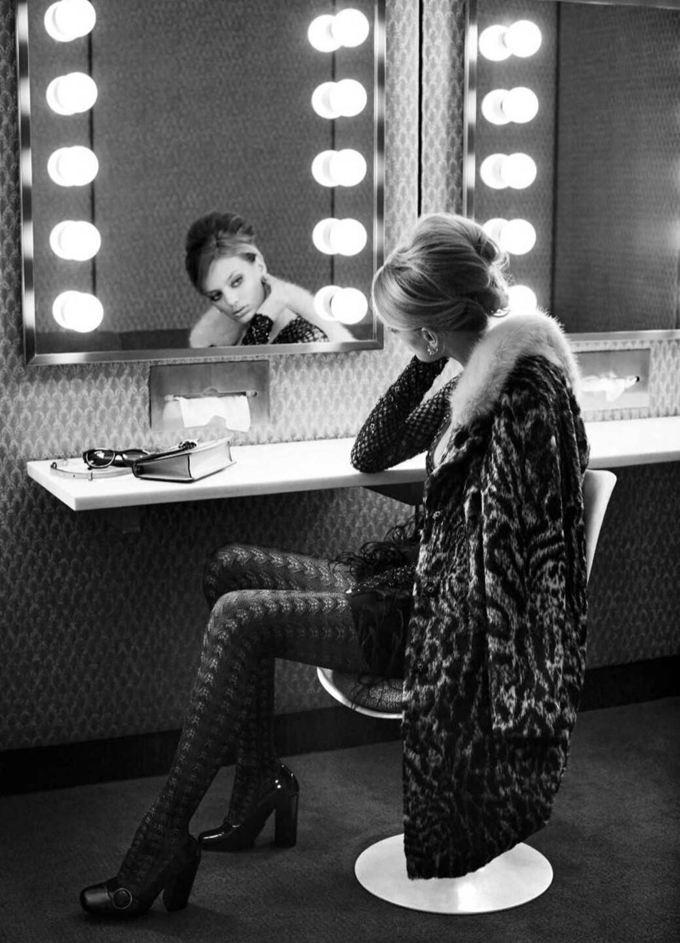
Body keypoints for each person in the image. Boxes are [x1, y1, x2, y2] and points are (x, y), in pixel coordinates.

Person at [79, 213, 589, 917]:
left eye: (403, 327)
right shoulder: (473, 378)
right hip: (417, 582)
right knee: (230, 567)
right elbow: (370, 451)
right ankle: (258, 782)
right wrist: (426, 360)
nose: (400, 338)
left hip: (449, 627)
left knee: (241, 616)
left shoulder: (524, 393)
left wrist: (431, 347)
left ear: (430, 323)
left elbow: (512, 565)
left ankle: (163, 837)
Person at [186, 212, 351, 347]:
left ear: (259, 266)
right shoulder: (218, 345)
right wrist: (265, 317)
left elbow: (245, 373)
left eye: (237, 281)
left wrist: (264, 318)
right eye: (216, 296)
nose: (230, 300)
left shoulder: (307, 339)